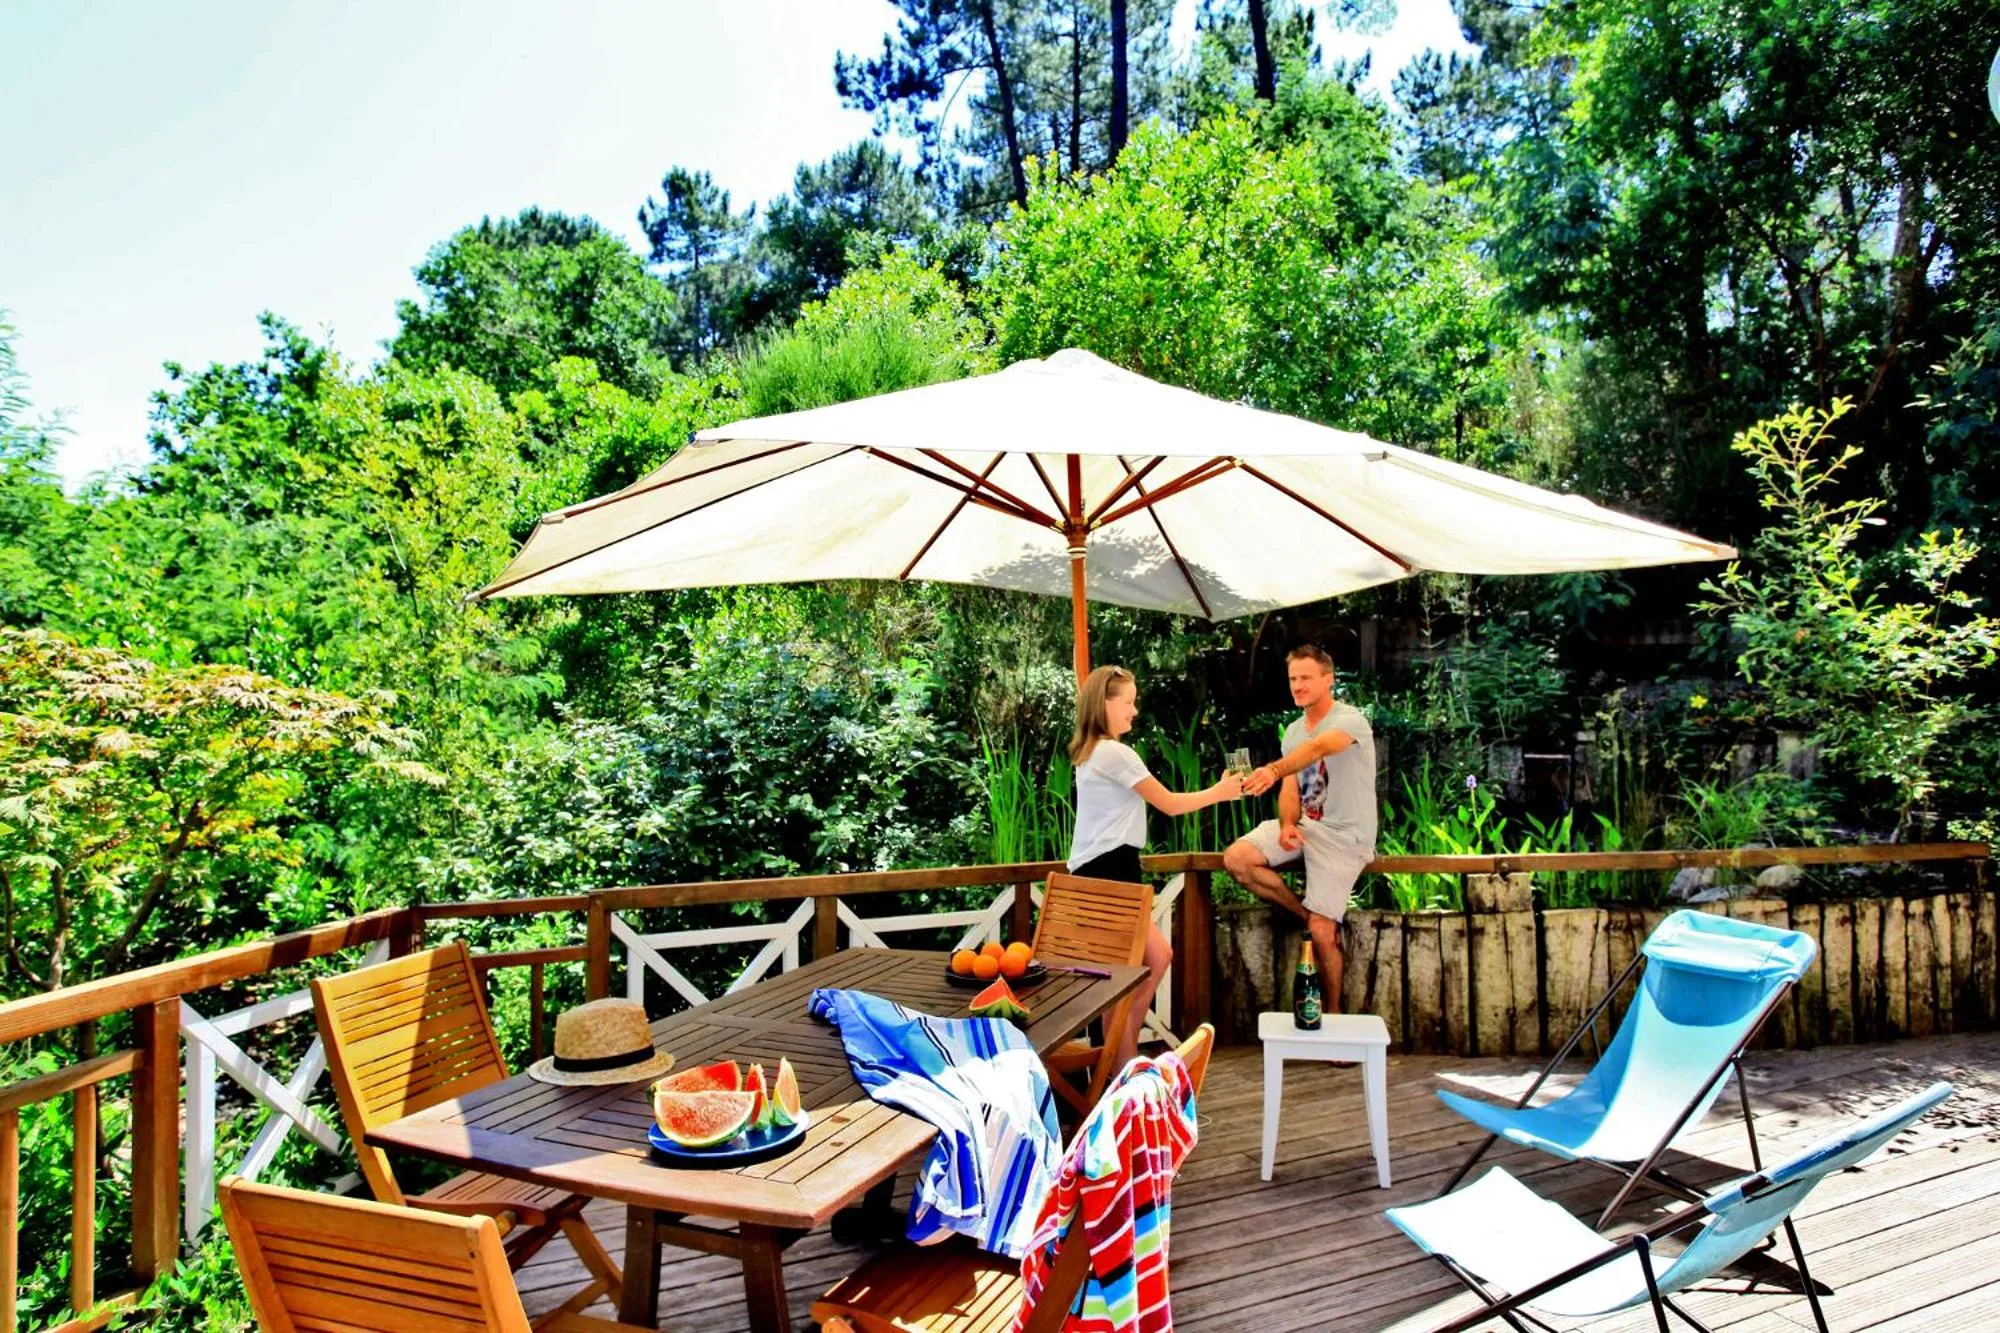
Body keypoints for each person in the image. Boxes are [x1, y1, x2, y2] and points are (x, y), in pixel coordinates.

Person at [1067, 664, 1244, 1066]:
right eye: (1127, 702)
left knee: (1154, 958)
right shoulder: (1112, 752)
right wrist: (1218, 791)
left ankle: (1120, 1055)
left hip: (1109, 869)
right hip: (1108, 870)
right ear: (1103, 703)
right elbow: (1168, 803)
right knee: (1127, 973)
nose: (1133, 711)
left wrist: (1219, 791)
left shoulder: (1092, 753)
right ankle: (1120, 1070)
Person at [1228, 645, 1376, 1012]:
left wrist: (1275, 768)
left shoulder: (1350, 720)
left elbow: (1319, 749)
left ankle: (1336, 1017)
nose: (1298, 685)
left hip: (1345, 836)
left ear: (1329, 680)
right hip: (1308, 826)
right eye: (1293, 678)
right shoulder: (1293, 731)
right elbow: (1291, 788)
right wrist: (1287, 825)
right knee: (1238, 858)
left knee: (1325, 933)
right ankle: (1304, 914)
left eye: (1306, 678)